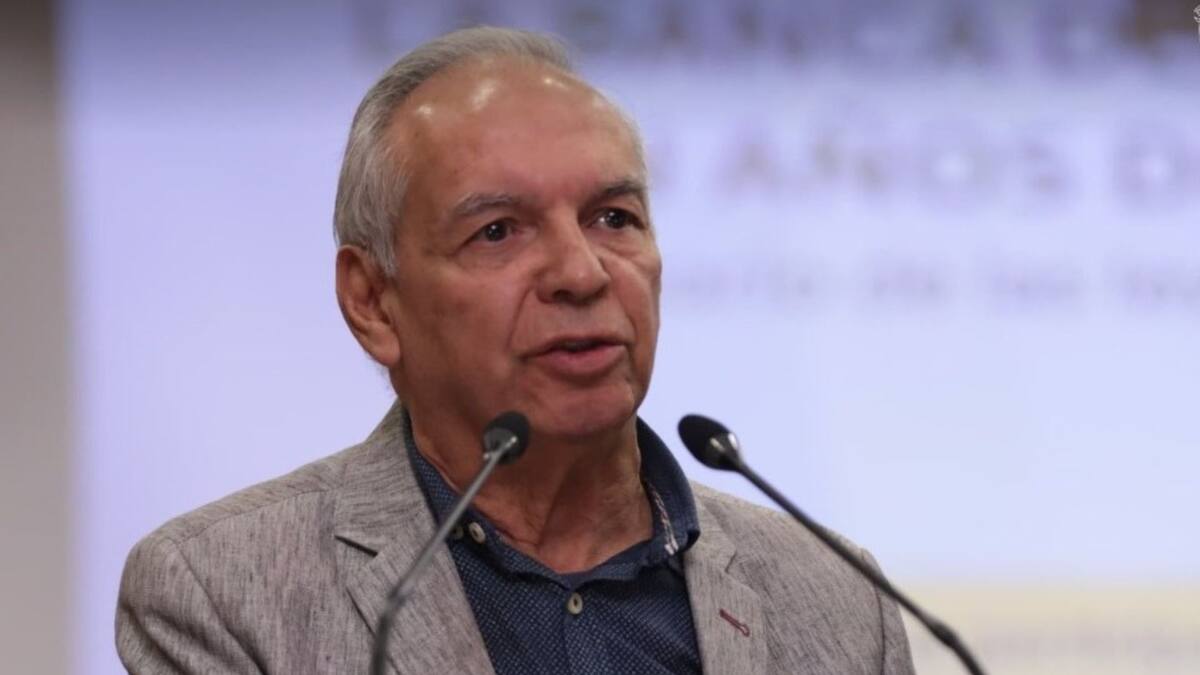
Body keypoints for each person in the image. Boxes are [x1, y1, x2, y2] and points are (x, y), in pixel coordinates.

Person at [116, 26, 915, 674]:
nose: (582, 272)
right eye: (498, 231)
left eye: (613, 218)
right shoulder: (222, 592)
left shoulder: (839, 598)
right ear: (373, 301)